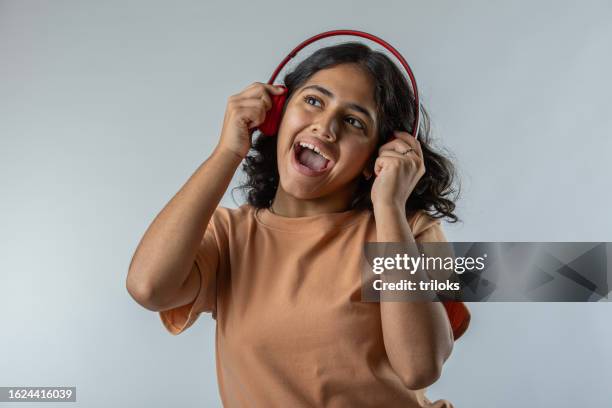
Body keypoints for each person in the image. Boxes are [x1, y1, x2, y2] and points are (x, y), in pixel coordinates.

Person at [127, 42, 470, 408]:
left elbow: (420, 367)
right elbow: (148, 287)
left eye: (354, 121)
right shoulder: (230, 236)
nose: (325, 127)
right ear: (276, 115)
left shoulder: (410, 229)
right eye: (313, 101)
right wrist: (227, 151)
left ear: (378, 156)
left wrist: (389, 206)